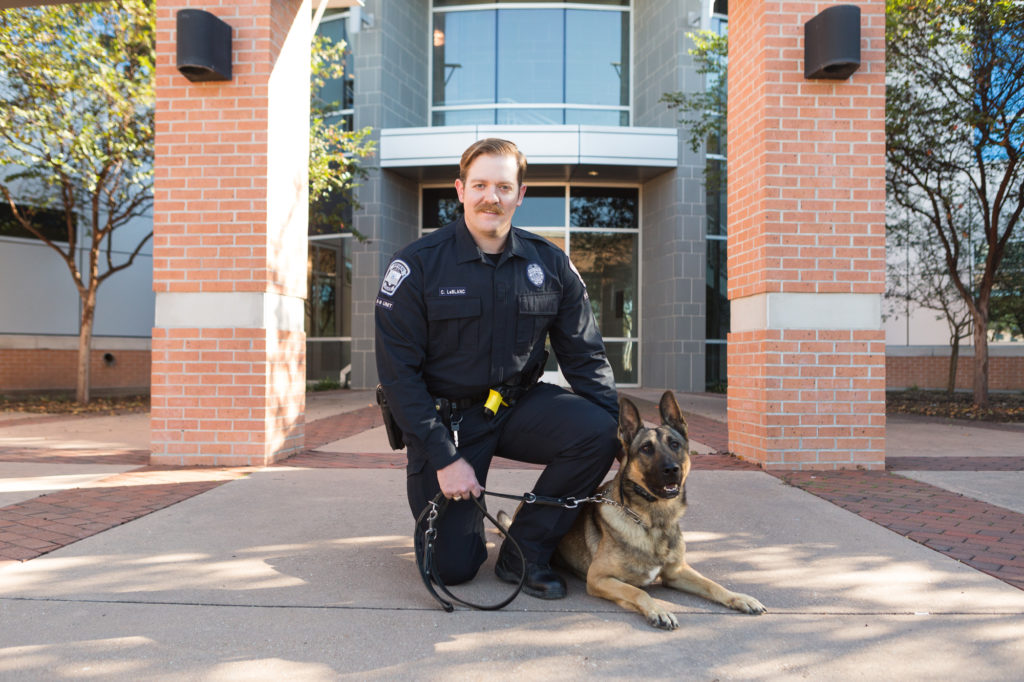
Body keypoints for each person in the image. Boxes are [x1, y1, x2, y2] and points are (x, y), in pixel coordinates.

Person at [374, 138, 619, 599]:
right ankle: (459, 525)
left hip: (516, 404)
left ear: (520, 194)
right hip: (445, 422)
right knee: (454, 568)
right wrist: (445, 459)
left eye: (504, 186)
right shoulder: (417, 265)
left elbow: (585, 356)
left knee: (598, 431)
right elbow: (398, 376)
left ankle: (524, 550)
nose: (492, 196)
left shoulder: (550, 264)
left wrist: (624, 435)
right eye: (481, 184)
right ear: (460, 189)